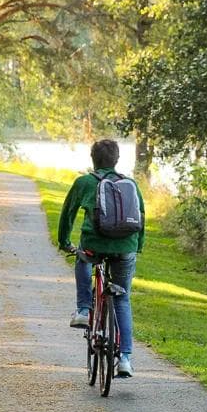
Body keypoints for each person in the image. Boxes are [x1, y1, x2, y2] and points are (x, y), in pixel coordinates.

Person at [58, 139, 145, 378]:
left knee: (83, 257)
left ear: (93, 159)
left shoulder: (85, 182)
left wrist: (64, 242)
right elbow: (141, 217)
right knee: (122, 298)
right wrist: (137, 247)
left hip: (94, 246)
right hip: (125, 248)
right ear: (116, 160)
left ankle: (83, 310)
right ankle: (125, 359)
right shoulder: (131, 184)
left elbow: (68, 214)